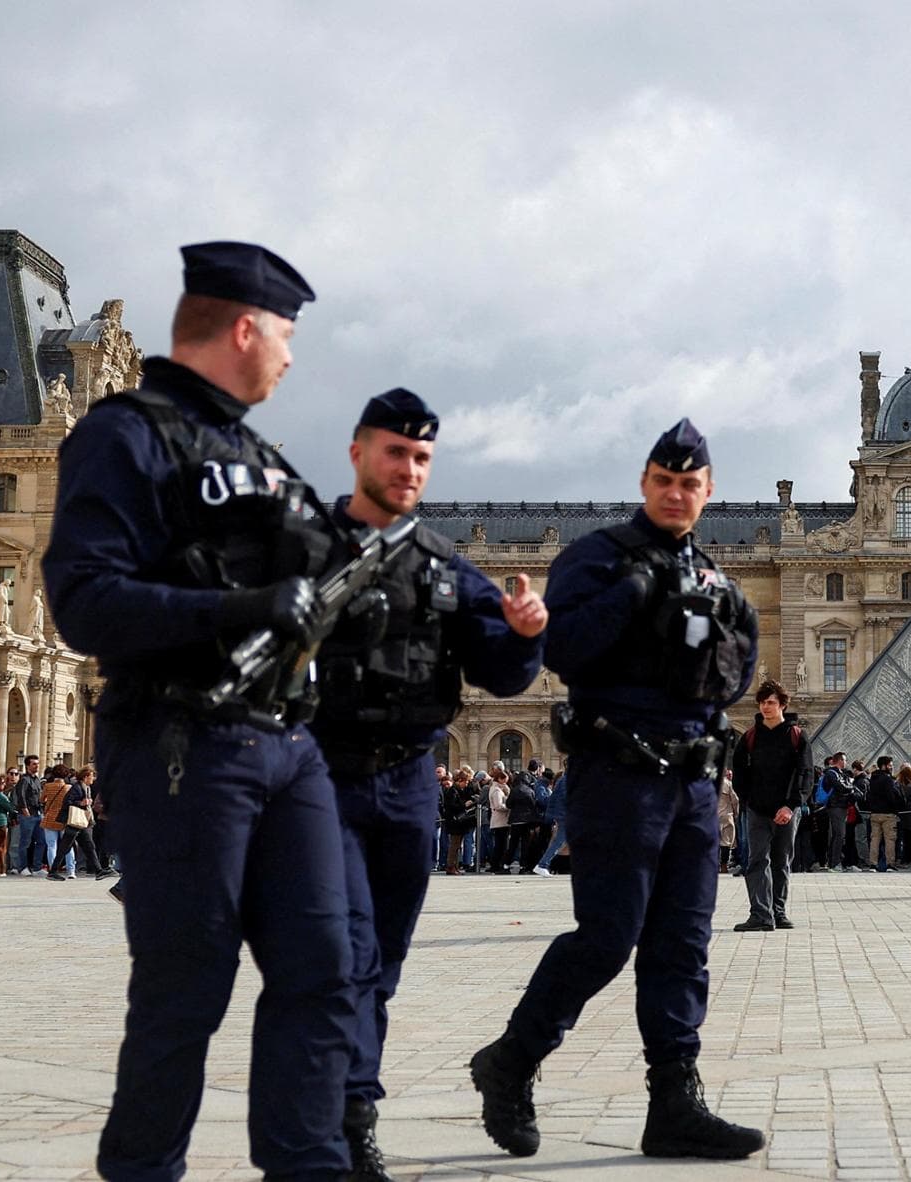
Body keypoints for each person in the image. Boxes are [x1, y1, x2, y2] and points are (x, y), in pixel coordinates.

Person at [41, 241, 362, 1179]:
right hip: (185, 737)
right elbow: (84, 602)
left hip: (286, 745)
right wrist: (236, 611)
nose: (293, 359)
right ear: (244, 328)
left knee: (325, 970)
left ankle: (309, 1165)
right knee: (185, 989)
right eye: (287, 337)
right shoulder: (123, 435)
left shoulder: (258, 454)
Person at [470, 419, 763, 1162]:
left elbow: (734, 676)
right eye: (664, 481)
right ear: (645, 482)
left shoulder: (719, 584)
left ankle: (674, 1100)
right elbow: (561, 650)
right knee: (606, 937)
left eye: (689, 483)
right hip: (618, 772)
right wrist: (634, 595)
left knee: (683, 945)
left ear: (708, 491)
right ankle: (513, 1058)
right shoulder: (596, 559)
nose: (676, 493)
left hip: (693, 785)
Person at [303, 388, 548, 1178]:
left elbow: (503, 676)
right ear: (357, 453)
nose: (407, 468)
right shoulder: (302, 548)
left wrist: (522, 636)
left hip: (410, 781)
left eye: (420, 457)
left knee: (381, 959)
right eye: (394, 452)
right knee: (343, 954)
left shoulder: (445, 568)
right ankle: (343, 1117)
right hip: (322, 777)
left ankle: (351, 1110)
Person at [731, 680, 807, 931]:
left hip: (786, 810)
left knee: (781, 861)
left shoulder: (797, 736)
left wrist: (791, 805)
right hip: (758, 810)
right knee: (756, 861)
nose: (766, 707)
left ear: (783, 705)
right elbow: (739, 771)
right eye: (762, 702)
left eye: (771, 702)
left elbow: (805, 774)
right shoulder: (750, 737)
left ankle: (778, 911)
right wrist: (749, 801)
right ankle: (761, 914)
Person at [864, 756, 902, 871]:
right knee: (889, 840)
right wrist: (895, 808)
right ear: (884, 766)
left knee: (875, 840)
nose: (892, 767)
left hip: (875, 813)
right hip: (888, 814)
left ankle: (873, 864)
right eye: (890, 765)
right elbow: (891, 796)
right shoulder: (888, 779)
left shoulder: (873, 779)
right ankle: (890, 864)